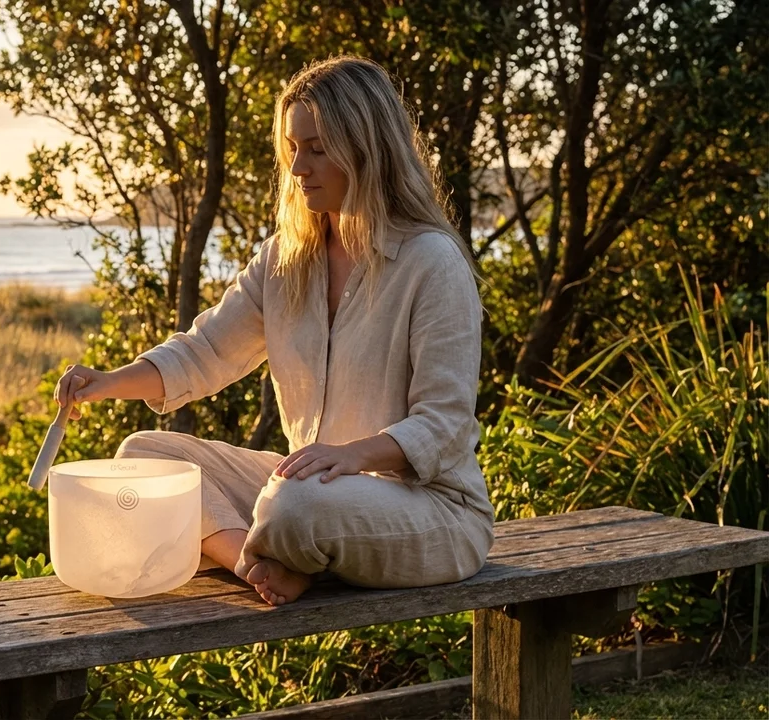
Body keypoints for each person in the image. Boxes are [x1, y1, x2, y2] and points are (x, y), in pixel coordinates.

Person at [52, 55, 494, 607]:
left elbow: (445, 424)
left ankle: (285, 549)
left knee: (294, 503)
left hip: (432, 511)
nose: (298, 167)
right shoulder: (286, 260)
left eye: (317, 148)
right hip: (310, 491)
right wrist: (108, 382)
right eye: (292, 149)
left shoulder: (431, 261)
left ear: (367, 148)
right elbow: (206, 351)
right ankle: (255, 565)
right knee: (145, 454)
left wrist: (354, 456)